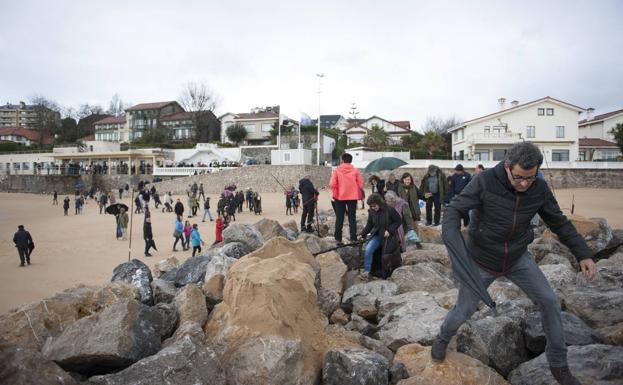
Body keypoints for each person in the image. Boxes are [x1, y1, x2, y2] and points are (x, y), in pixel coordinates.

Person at [432, 142, 596, 385]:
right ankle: (443, 338)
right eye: (519, 177)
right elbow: (454, 210)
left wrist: (584, 253)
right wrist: (455, 244)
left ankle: (559, 365)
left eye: (530, 178)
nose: (524, 184)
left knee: (549, 301)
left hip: (518, 258)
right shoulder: (485, 181)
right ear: (507, 166)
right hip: (481, 260)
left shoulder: (538, 188)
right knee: (463, 310)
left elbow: (559, 222)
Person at [358, 193, 402, 280]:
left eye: (374, 206)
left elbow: (398, 221)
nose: (373, 208)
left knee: (386, 255)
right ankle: (367, 272)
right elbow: (369, 224)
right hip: (377, 236)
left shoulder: (390, 210)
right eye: (371, 206)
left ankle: (387, 273)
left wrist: (389, 230)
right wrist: (362, 234)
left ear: (379, 203)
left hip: (389, 238)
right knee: (368, 250)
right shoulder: (372, 211)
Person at [330, 153, 363, 245]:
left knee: (339, 217)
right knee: (352, 217)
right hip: (352, 197)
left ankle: (338, 239)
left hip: (340, 196)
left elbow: (332, 184)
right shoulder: (356, 171)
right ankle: (353, 238)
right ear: (351, 160)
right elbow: (360, 184)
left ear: (343, 160)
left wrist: (336, 190)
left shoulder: (337, 170)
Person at [398, 172, 424, 248]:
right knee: (403, 228)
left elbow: (420, 195)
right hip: (404, 212)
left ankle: (417, 242)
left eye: (409, 179)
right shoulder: (399, 188)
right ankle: (401, 244)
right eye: (406, 179)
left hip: (414, 211)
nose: (407, 181)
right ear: (403, 180)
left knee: (415, 228)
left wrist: (425, 196)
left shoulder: (413, 187)